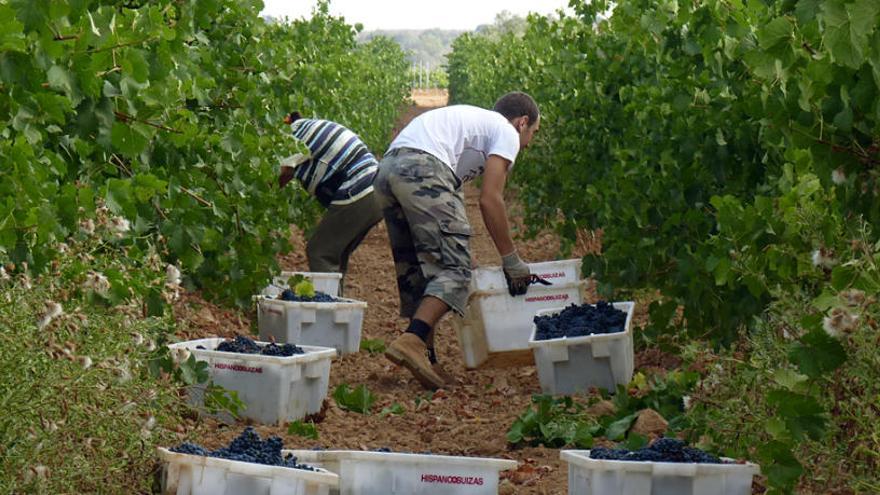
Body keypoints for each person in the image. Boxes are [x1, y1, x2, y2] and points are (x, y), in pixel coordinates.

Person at [374, 92, 541, 389]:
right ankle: (412, 341)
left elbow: (451, 195)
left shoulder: (470, 128)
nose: (529, 143)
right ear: (522, 122)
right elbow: (491, 199)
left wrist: (462, 250)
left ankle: (427, 361)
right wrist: (511, 260)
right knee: (456, 272)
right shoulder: (506, 131)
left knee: (420, 272)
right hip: (422, 167)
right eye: (533, 133)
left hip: (389, 168)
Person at [278, 112, 383, 281]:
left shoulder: (295, 134)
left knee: (320, 252)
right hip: (377, 190)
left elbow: (282, 173)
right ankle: (337, 304)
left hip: (358, 191)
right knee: (336, 255)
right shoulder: (312, 127)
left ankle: (327, 306)